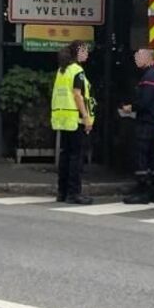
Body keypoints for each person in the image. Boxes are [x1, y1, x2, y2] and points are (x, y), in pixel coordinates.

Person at [51, 41, 95, 205]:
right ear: (77, 53)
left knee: (65, 155)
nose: (86, 54)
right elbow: (78, 95)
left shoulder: (62, 70)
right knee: (76, 158)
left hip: (62, 119)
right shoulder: (77, 71)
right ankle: (74, 193)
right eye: (84, 51)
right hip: (75, 119)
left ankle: (62, 192)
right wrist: (86, 117)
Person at [120, 48, 154, 204]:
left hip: (146, 121)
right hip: (153, 121)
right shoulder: (153, 75)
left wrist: (130, 108)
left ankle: (143, 191)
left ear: (150, 58)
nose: (137, 59)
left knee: (141, 155)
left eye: (140, 57)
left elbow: (145, 101)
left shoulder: (150, 76)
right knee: (153, 156)